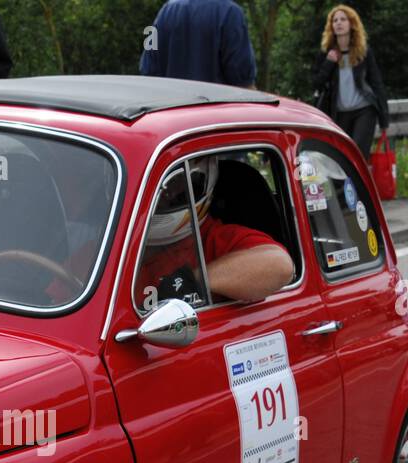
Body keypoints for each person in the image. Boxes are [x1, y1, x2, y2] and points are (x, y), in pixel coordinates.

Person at [137, 160, 293, 306]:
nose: (166, 193)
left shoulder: (214, 238)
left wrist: (192, 280)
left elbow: (280, 265)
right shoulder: (125, 238)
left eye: (179, 181)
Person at [312, 5, 389, 156]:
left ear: (352, 24)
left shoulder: (363, 52)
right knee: (342, 157)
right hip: (339, 113)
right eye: (335, 20)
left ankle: (357, 180)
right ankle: (346, 181)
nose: (338, 23)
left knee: (358, 154)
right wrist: (328, 63)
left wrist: (384, 118)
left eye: (343, 19)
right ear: (331, 26)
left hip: (364, 110)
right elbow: (316, 84)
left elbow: (376, 83)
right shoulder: (326, 53)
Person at [140, 0, 257, 87]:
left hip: (170, 113)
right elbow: (242, 77)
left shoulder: (165, 12)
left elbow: (148, 68)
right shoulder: (230, 13)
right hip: (216, 115)